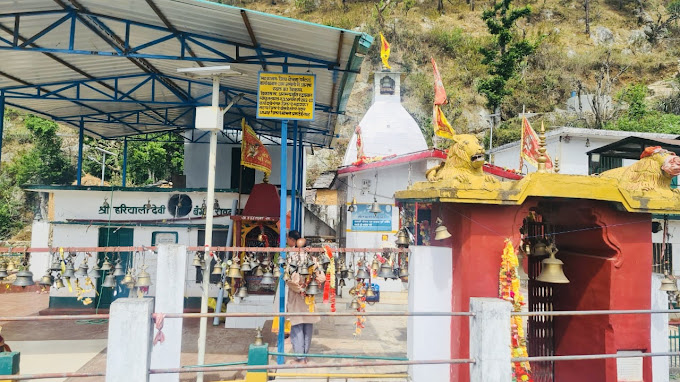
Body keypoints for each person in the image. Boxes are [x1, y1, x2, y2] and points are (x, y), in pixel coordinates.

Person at [286, 234, 325, 364]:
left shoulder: (291, 259)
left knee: (297, 326)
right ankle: (305, 356)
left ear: (296, 246)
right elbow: (322, 278)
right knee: (308, 326)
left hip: (297, 297)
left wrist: (299, 289)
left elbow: (288, 279)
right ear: (309, 247)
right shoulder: (314, 260)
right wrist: (310, 286)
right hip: (309, 297)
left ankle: (300, 358)